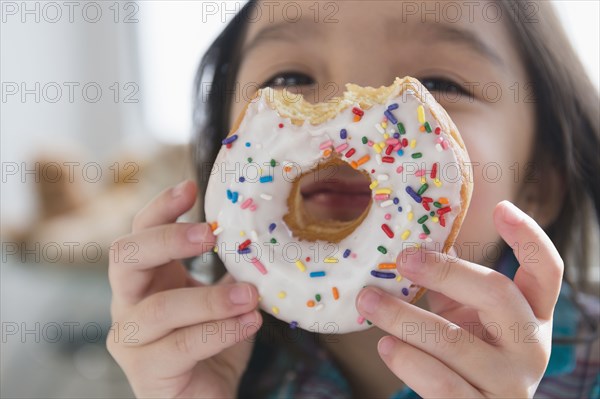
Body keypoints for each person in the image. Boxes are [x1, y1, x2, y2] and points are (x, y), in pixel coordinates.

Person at [107, 1, 600, 397]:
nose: (349, 109)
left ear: (538, 185)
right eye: (289, 79)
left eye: (436, 85)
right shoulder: (223, 368)